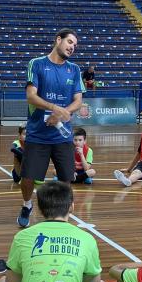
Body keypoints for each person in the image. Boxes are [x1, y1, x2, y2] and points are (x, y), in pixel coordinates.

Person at [18, 28, 85, 228]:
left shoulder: (74, 69)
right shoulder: (37, 64)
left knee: (66, 177)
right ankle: (27, 204)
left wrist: (63, 113)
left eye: (75, 45)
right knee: (28, 177)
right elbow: (31, 96)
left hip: (62, 135)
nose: (72, 47)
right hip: (38, 134)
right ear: (58, 40)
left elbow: (78, 101)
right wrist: (55, 108)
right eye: (69, 42)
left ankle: (61, 212)